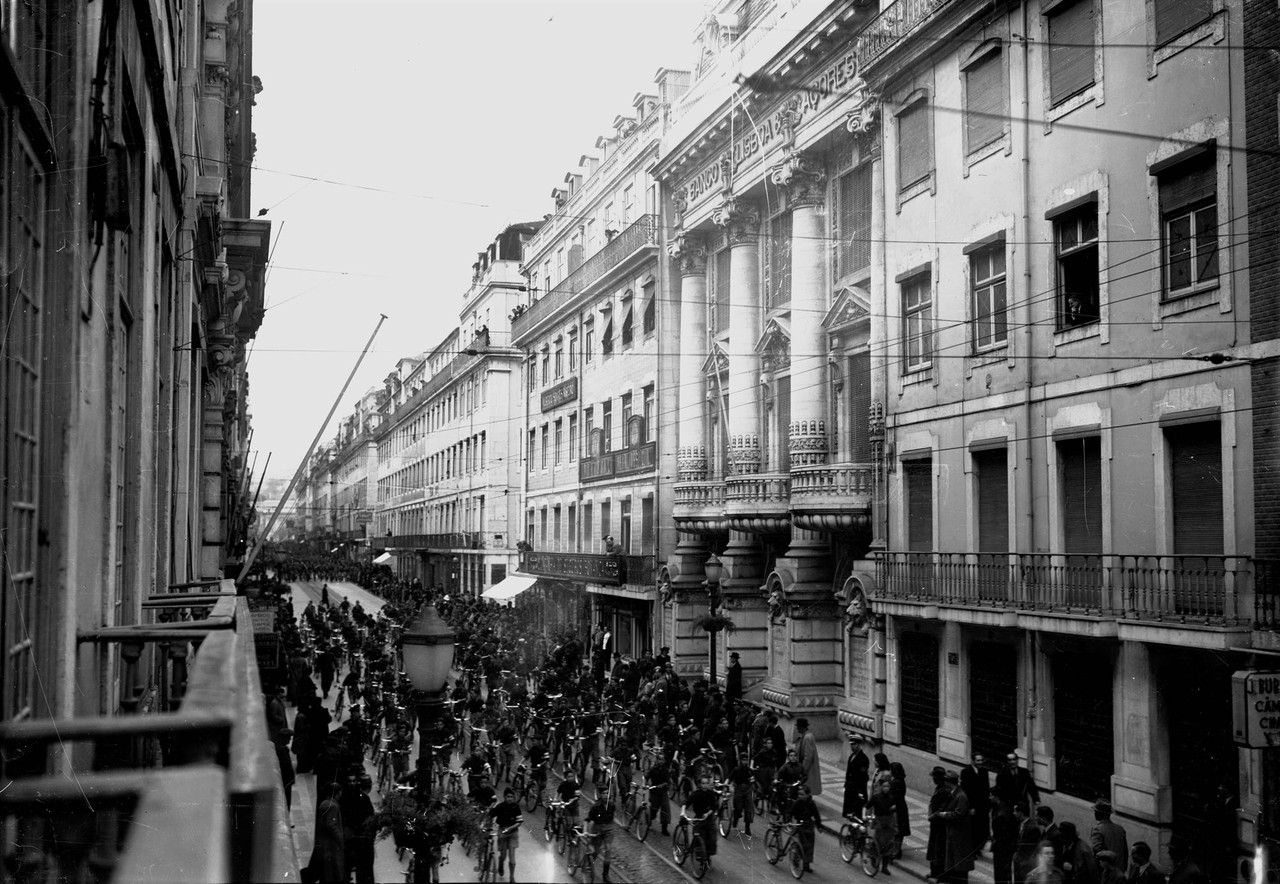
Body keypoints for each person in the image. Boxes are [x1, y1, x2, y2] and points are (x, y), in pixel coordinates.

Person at [933, 769, 975, 884]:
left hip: (960, 836)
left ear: (948, 782)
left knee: (959, 864)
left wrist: (944, 814)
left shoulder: (960, 796)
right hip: (954, 834)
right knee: (954, 863)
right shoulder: (954, 793)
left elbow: (958, 814)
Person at [308, 780, 345, 884]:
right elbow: (331, 825)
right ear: (337, 793)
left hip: (323, 843)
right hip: (331, 845)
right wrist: (340, 838)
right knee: (331, 873)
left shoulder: (325, 803)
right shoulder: (333, 806)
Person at [868, 766, 899, 873]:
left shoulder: (892, 797)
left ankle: (884, 867)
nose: (886, 788)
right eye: (884, 786)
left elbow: (896, 808)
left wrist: (894, 808)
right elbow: (868, 806)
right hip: (879, 822)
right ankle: (873, 858)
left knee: (889, 845)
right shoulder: (876, 797)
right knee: (877, 843)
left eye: (888, 786)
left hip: (889, 823)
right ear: (881, 787)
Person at [490, 787, 523, 883]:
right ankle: (501, 864)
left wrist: (510, 828)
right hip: (502, 831)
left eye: (512, 797)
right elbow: (490, 815)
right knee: (503, 855)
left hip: (513, 833)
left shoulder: (516, 807)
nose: (510, 799)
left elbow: (519, 821)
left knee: (512, 857)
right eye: (508, 797)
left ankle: (512, 877)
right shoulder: (500, 807)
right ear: (504, 797)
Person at [961, 753, 990, 852]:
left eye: (981, 760)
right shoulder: (965, 772)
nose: (980, 762)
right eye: (978, 760)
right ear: (972, 761)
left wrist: (987, 805)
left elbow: (986, 789)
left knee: (982, 828)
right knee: (973, 828)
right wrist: (970, 807)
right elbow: (966, 790)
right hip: (972, 805)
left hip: (982, 805)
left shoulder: (984, 771)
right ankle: (972, 850)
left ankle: (978, 848)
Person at [684, 774, 720, 856]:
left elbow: (713, 807)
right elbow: (687, 802)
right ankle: (699, 853)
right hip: (699, 818)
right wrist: (683, 811)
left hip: (708, 818)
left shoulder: (711, 794)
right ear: (700, 784)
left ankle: (707, 855)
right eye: (703, 783)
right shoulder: (696, 794)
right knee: (699, 837)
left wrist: (707, 814)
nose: (704, 785)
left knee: (711, 839)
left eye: (706, 783)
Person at [1090, 800, 1128, 875]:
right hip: (1119, 870)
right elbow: (1125, 852)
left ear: (1098, 814)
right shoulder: (1120, 829)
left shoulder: (1097, 829)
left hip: (1105, 871)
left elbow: (1097, 850)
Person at [927, 766, 951, 879]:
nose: (933, 779)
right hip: (935, 823)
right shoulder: (939, 788)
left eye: (934, 777)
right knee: (934, 848)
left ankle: (938, 873)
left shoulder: (944, 790)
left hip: (940, 824)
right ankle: (934, 871)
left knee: (938, 849)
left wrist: (933, 816)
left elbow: (943, 807)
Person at [790, 783, 821, 873]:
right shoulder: (796, 803)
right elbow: (790, 812)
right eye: (799, 794)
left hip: (809, 825)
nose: (800, 796)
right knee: (800, 844)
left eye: (802, 794)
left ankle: (806, 864)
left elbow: (816, 815)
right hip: (799, 825)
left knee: (810, 845)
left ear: (808, 795)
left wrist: (819, 826)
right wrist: (788, 820)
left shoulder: (811, 804)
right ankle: (796, 859)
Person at [586, 798, 616, 883]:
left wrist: (609, 827)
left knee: (608, 850)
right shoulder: (595, 807)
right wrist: (586, 831)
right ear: (601, 795)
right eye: (604, 794)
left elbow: (611, 818)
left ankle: (605, 875)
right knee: (596, 850)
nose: (606, 796)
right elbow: (588, 819)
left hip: (608, 830)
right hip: (597, 830)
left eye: (607, 793)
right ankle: (590, 864)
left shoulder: (612, 805)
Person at [843, 734, 871, 820]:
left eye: (854, 744)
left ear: (859, 745)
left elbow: (863, 777)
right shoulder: (851, 756)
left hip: (857, 789)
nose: (852, 746)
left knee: (857, 813)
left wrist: (860, 791)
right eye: (851, 744)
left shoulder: (863, 759)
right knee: (849, 812)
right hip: (849, 788)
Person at [647, 751, 672, 835]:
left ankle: (664, 828)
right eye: (659, 759)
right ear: (656, 760)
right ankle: (649, 819)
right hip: (654, 791)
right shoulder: (653, 769)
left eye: (662, 759)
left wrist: (663, 785)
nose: (660, 761)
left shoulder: (666, 770)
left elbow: (668, 781)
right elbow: (647, 777)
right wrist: (646, 785)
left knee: (665, 810)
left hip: (663, 791)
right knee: (654, 808)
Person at [794, 717, 822, 796]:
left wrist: (803, 769)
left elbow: (808, 756)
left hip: (807, 768)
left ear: (801, 728)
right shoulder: (806, 736)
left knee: (806, 785)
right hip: (805, 766)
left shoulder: (807, 737)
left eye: (798, 727)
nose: (797, 729)